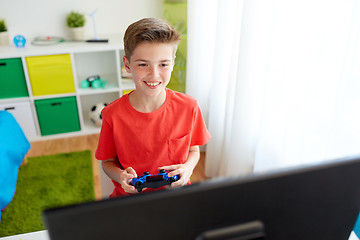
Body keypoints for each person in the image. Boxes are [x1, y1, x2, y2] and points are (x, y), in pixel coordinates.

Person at [95, 18, 211, 197]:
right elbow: (107, 162)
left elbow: (193, 150)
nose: (154, 74)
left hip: (177, 197)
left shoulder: (189, 107)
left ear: (172, 62)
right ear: (127, 65)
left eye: (163, 64)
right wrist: (121, 176)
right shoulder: (112, 114)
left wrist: (187, 168)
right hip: (130, 201)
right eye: (143, 64)